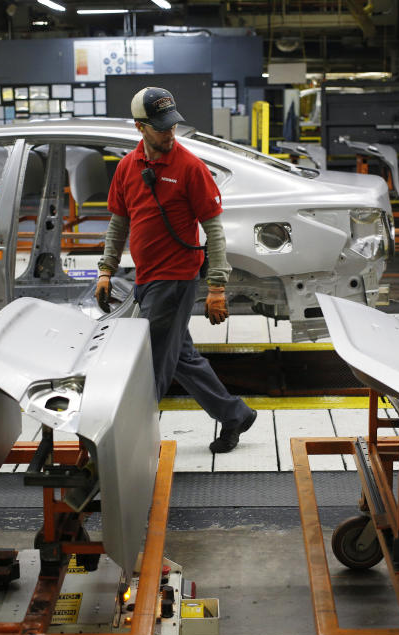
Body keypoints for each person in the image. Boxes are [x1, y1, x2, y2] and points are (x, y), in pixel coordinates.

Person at [95, 87, 256, 454]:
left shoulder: (190, 167)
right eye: (160, 128)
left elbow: (214, 229)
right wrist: (106, 269)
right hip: (146, 278)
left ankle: (129, 445)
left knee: (149, 366)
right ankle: (234, 414)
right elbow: (118, 224)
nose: (169, 133)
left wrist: (217, 288)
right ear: (140, 127)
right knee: (181, 357)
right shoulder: (127, 168)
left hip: (175, 279)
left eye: (172, 126)